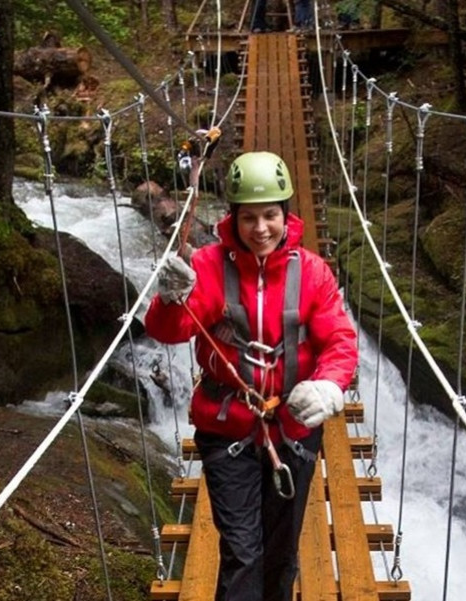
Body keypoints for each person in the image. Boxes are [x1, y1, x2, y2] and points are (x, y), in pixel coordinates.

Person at [145, 151, 358, 601]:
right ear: (233, 218)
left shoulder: (313, 273)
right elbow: (168, 332)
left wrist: (329, 385)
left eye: (270, 216)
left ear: (286, 215)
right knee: (244, 551)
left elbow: (339, 340)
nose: (260, 229)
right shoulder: (206, 266)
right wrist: (168, 300)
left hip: (293, 429)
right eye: (249, 218)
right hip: (228, 431)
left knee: (281, 554)